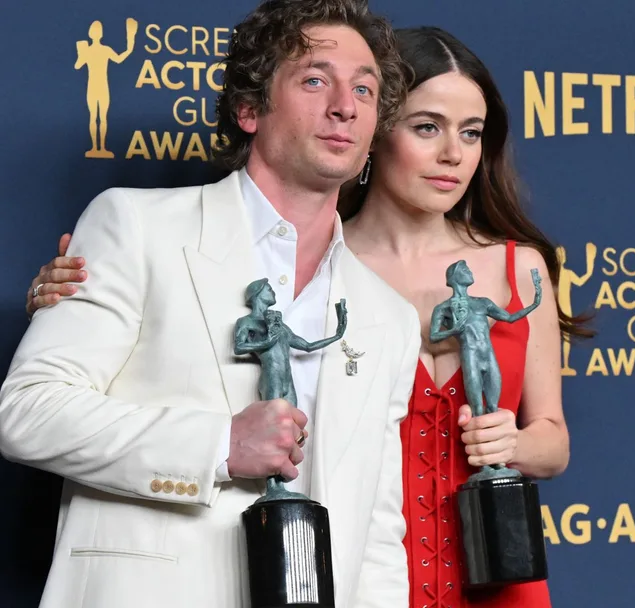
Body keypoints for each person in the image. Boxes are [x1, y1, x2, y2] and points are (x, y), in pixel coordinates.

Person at [26, 25, 596, 608]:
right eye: (428, 127)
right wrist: (80, 286)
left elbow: (545, 440)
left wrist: (516, 444)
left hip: (478, 560)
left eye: (471, 133)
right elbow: (35, 404)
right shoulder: (283, 258)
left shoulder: (442, 286)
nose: (453, 153)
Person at [2, 1, 420, 608]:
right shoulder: (137, 226)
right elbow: (29, 413)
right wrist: (218, 446)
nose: (345, 105)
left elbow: (377, 533)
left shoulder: (389, 317)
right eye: (314, 79)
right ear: (249, 109)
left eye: (364, 88)